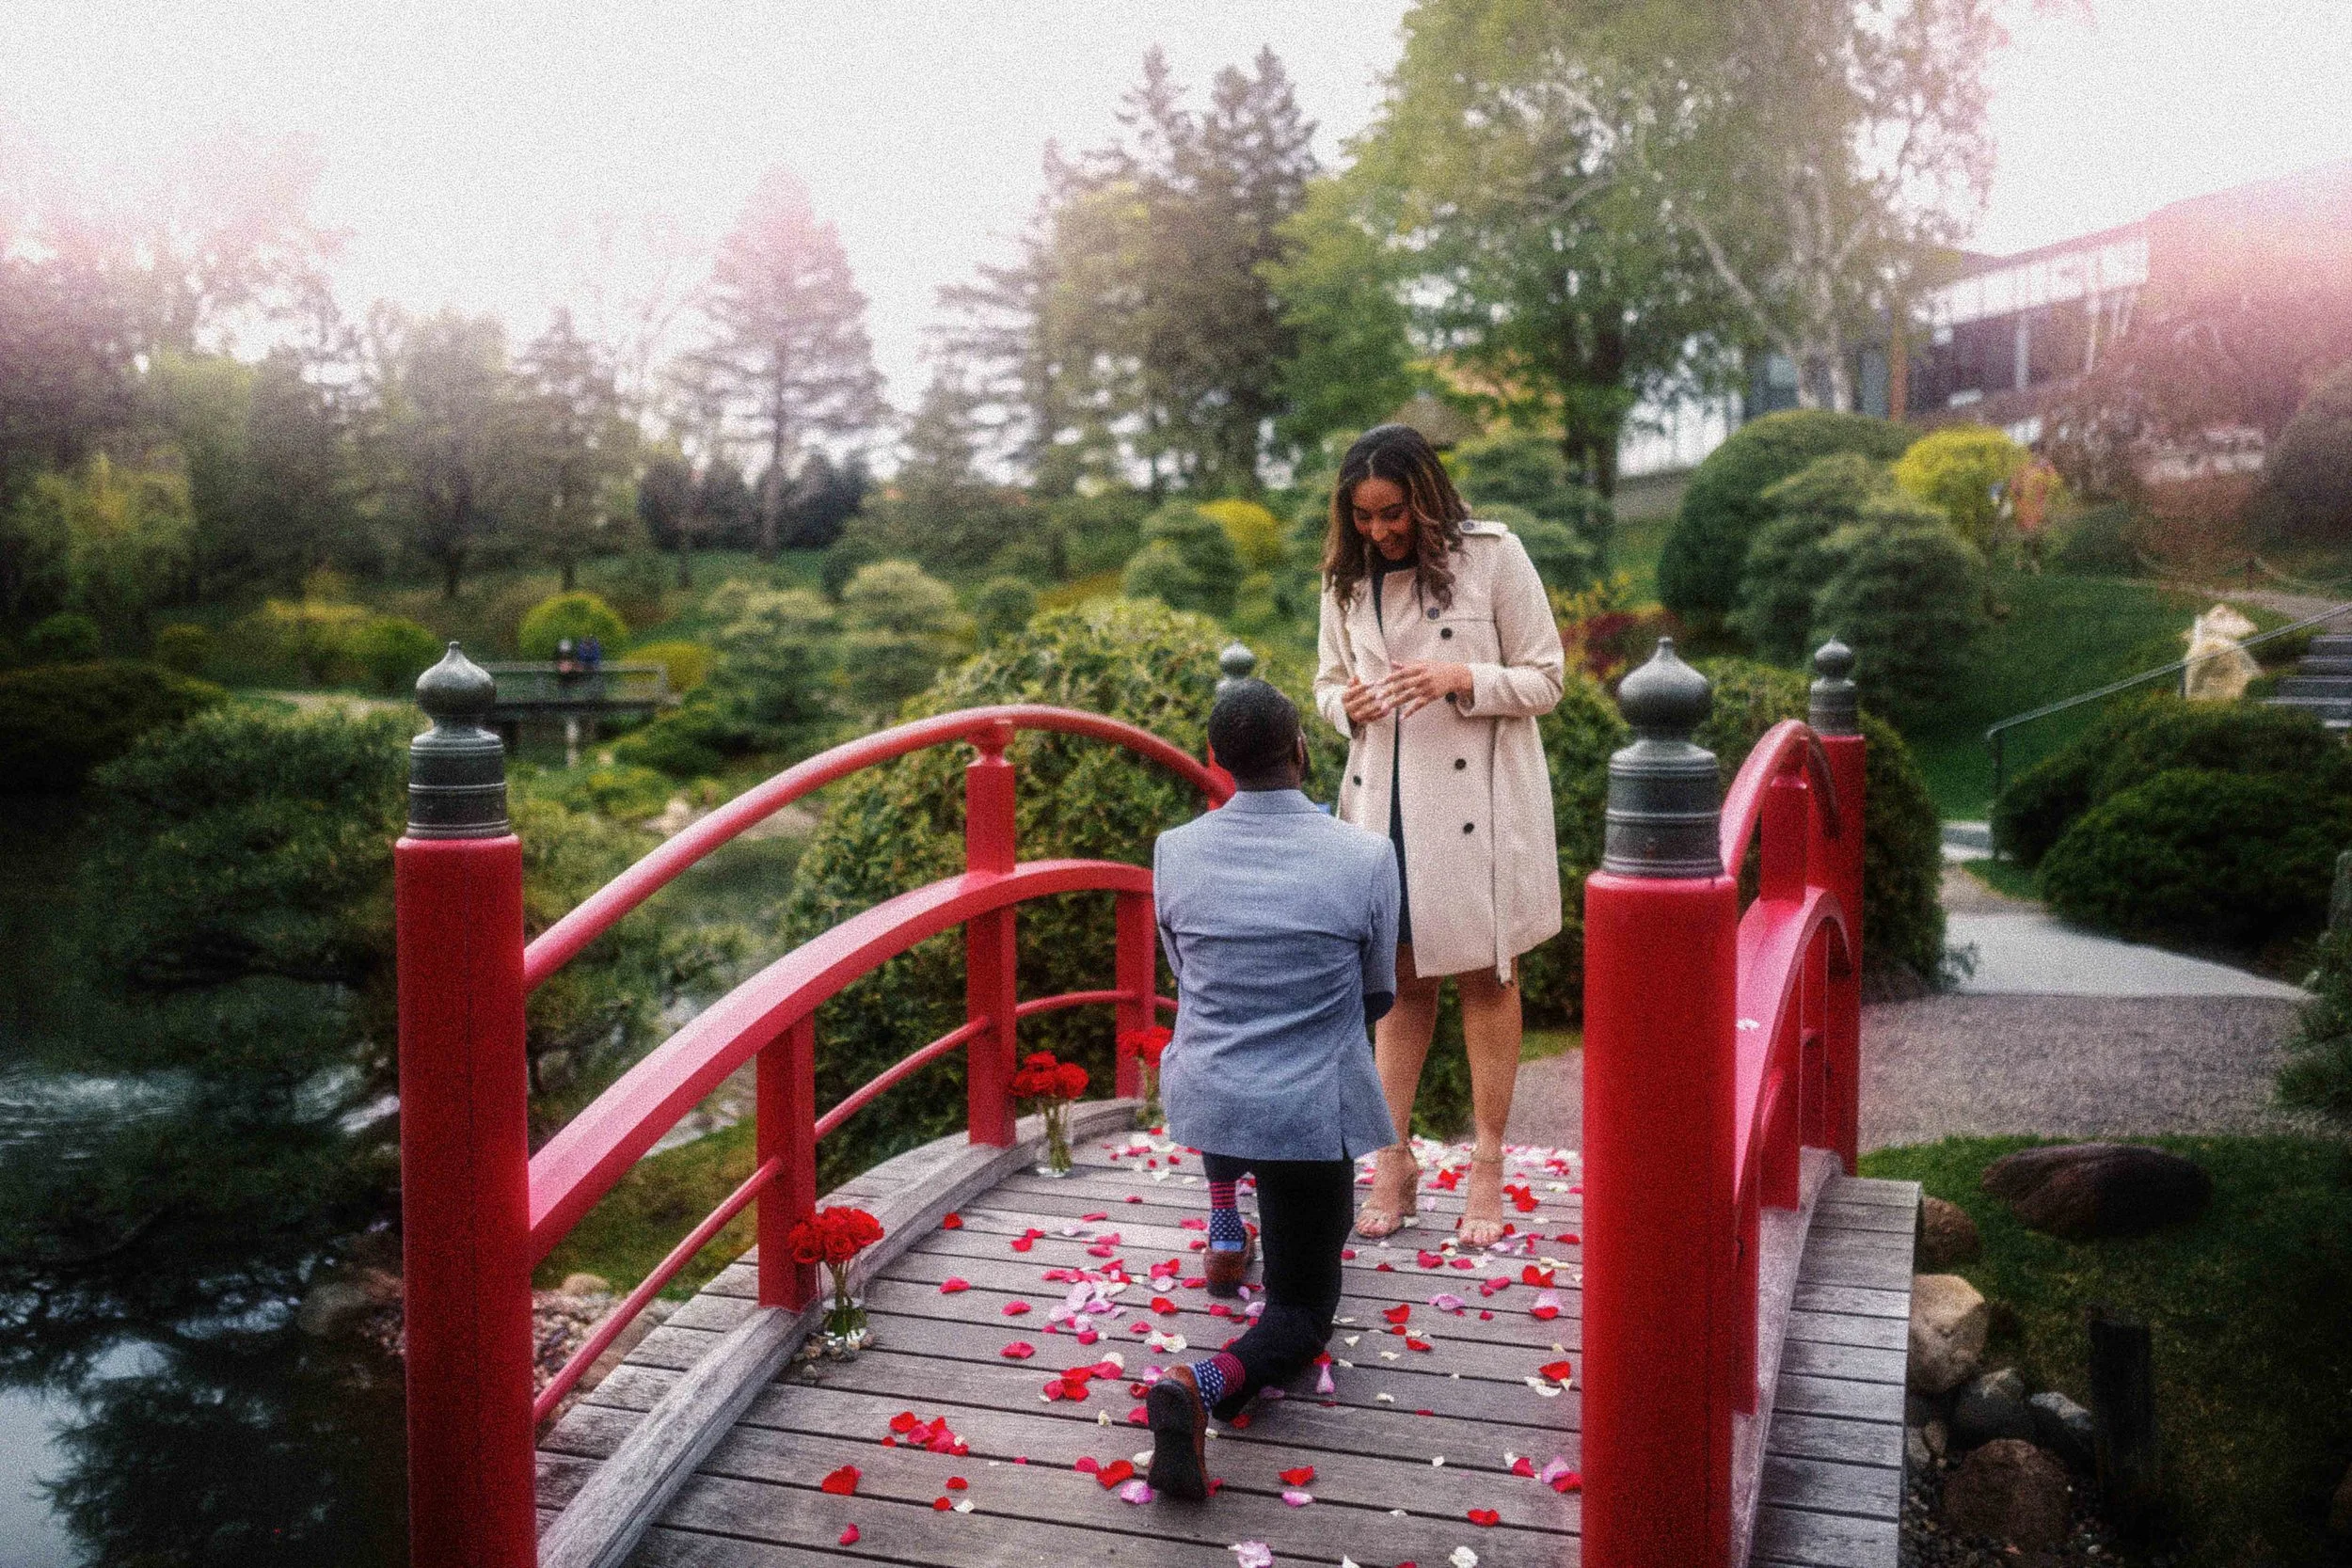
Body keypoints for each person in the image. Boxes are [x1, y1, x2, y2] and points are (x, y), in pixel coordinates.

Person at [1143, 678, 1399, 1502]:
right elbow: (1378, 992)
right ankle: (1201, 1384)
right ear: (1300, 750)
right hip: (1308, 1113)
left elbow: (1186, 972)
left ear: (1216, 758)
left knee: (1229, 1040)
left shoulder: (1174, 850)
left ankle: (1226, 1222)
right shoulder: (1366, 855)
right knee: (1300, 1312)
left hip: (1210, 1093)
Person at [1311, 423, 1565, 1247]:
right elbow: (1325, 680)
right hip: (1381, 799)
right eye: (1363, 515)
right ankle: (1393, 1157)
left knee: (1487, 974)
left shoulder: (1493, 556)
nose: (1379, 530)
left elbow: (1548, 677)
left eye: (1392, 512)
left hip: (1474, 802)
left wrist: (1464, 677)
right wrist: (1342, 706)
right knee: (1398, 980)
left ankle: (1488, 1160)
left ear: (1424, 499)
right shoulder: (1345, 580)